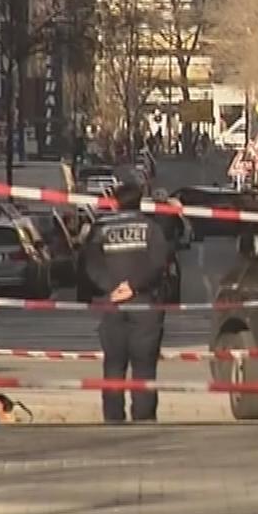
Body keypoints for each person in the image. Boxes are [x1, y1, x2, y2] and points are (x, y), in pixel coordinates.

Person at [83, 172, 174, 424]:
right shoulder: (151, 228)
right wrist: (133, 286)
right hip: (144, 305)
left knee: (113, 367)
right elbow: (159, 263)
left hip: (112, 305)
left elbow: (89, 264)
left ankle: (113, 419)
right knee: (144, 369)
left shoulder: (101, 229)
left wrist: (109, 288)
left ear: (114, 202)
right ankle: (143, 418)